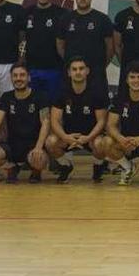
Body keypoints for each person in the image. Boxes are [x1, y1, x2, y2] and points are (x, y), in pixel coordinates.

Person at [0, 63, 51, 184]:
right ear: (11, 78)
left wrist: (39, 147)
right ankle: (12, 166)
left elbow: (45, 123)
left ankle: (35, 170)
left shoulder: (40, 96)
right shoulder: (6, 97)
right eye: (15, 76)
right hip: (12, 145)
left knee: (40, 159)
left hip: (33, 145)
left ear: (29, 77)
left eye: (22, 75)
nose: (19, 78)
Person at [45, 56, 109, 184]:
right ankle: (66, 166)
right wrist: (65, 137)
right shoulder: (61, 92)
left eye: (81, 69)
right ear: (69, 73)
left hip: (91, 137)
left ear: (87, 71)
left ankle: (98, 167)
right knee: (51, 142)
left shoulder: (97, 92)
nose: (78, 72)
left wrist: (88, 137)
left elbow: (101, 121)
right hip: (68, 136)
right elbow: (54, 120)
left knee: (102, 143)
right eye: (74, 69)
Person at [56, 0, 114, 92]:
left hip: (96, 74)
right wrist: (71, 63)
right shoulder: (65, 19)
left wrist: (100, 66)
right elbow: (60, 46)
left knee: (98, 106)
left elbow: (110, 49)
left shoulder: (102, 19)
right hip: (73, 75)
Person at [23, 0, 65, 99]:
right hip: (32, 69)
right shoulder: (27, 13)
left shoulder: (62, 14)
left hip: (54, 69)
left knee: (53, 105)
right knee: (32, 105)